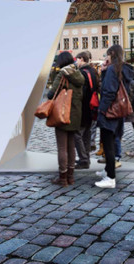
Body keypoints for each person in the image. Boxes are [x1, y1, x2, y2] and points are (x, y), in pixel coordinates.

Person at [95, 45, 134, 189]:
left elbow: (109, 91)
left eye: (107, 55)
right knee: (111, 142)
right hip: (119, 111)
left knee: (108, 144)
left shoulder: (113, 70)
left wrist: (102, 110)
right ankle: (107, 170)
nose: (105, 58)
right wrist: (104, 71)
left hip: (110, 112)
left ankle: (110, 177)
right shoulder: (122, 69)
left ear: (112, 54)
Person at [47, 51, 85, 186]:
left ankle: (62, 178)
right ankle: (71, 177)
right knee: (71, 147)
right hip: (75, 115)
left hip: (63, 114)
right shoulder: (78, 73)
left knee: (62, 148)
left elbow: (51, 94)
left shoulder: (62, 73)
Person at [73, 51, 98, 170]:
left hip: (83, 107)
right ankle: (86, 158)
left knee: (77, 134)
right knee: (87, 135)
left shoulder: (82, 73)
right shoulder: (93, 71)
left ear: (81, 59)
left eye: (77, 59)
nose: (76, 62)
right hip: (92, 107)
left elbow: (80, 92)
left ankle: (83, 159)